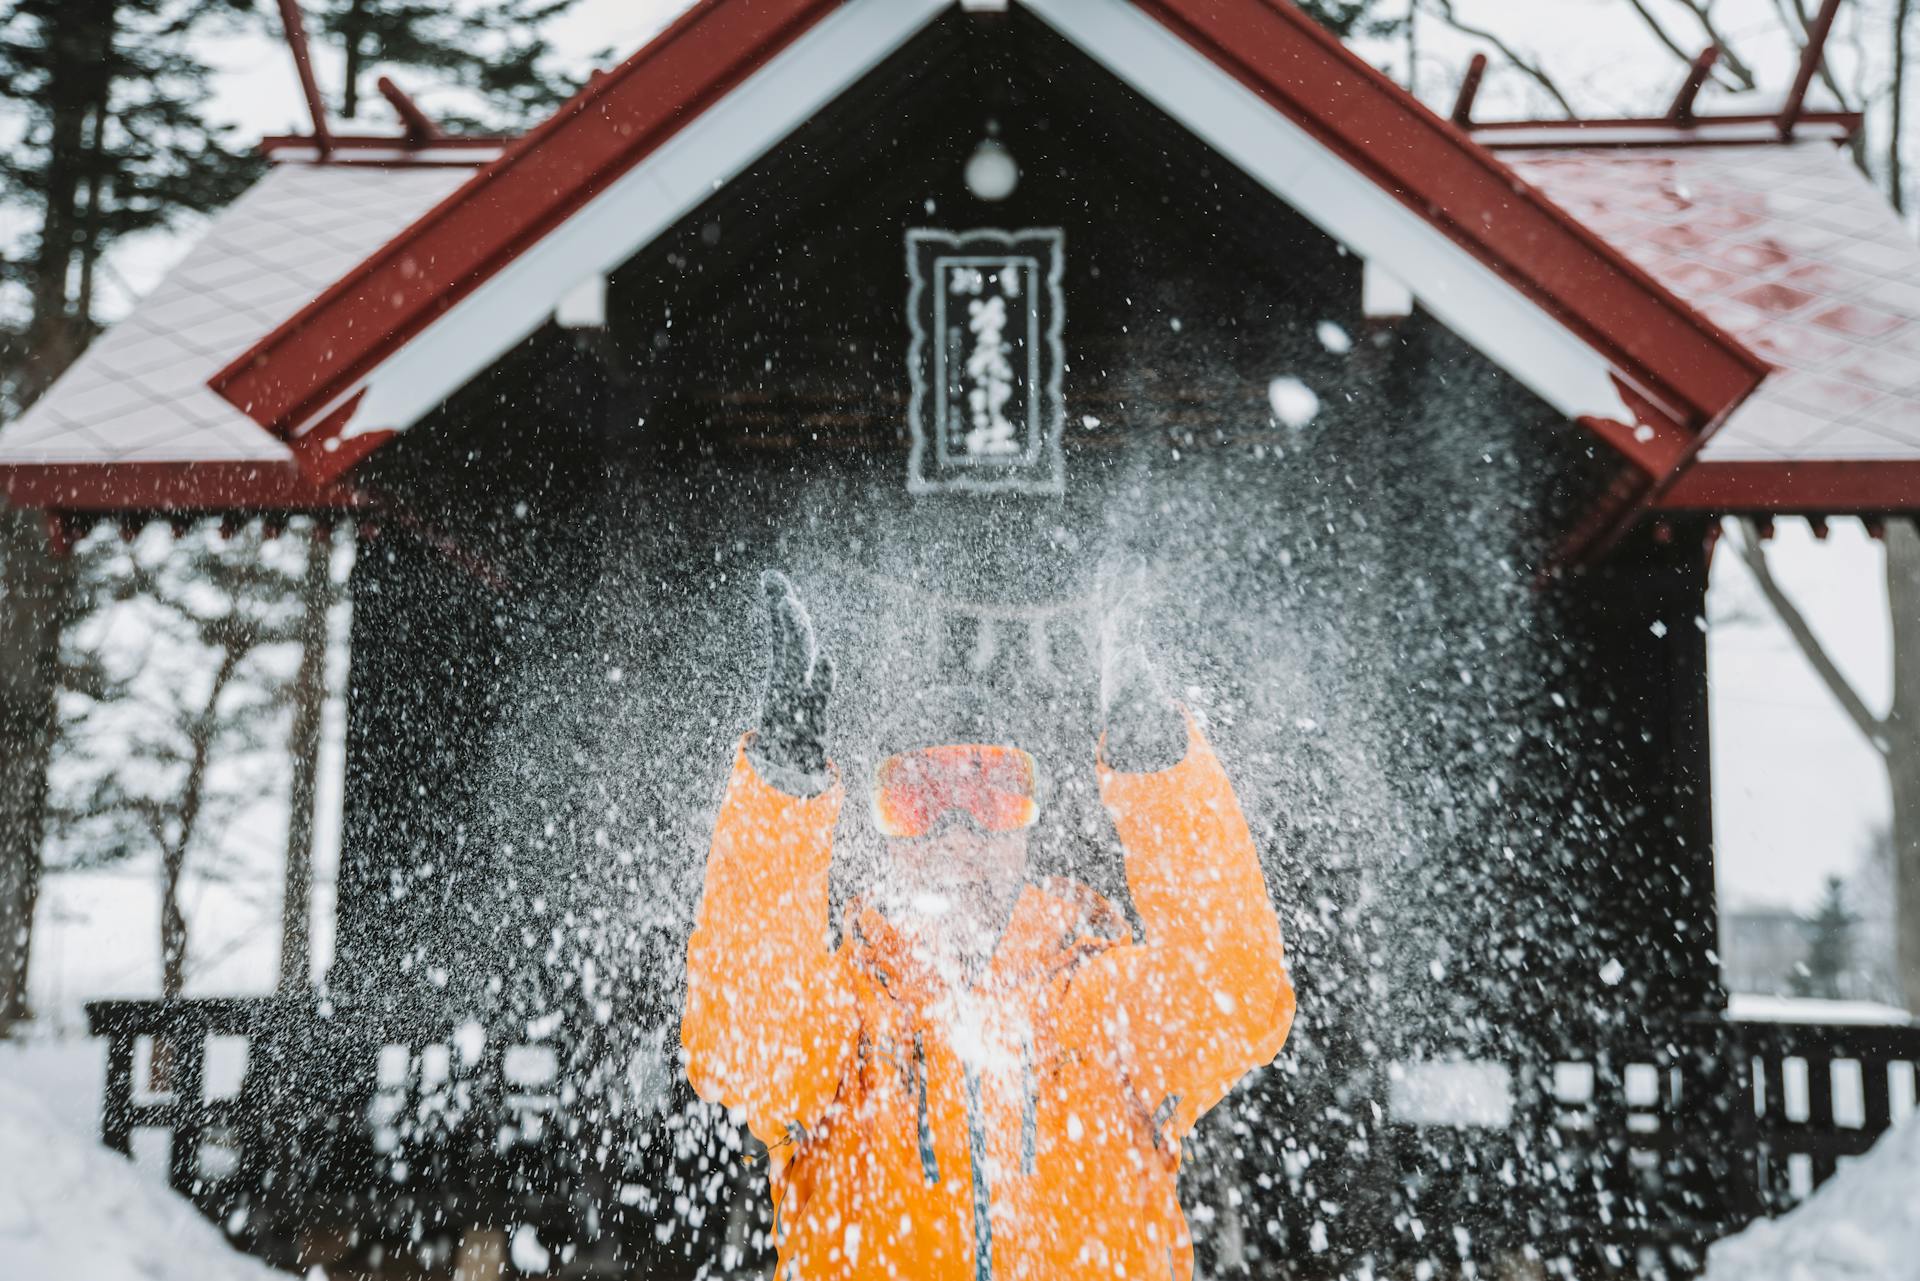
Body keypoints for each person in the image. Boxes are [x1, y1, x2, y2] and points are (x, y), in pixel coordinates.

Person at [682, 571, 1295, 1281]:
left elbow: (1239, 995)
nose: (957, 831)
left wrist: (1154, 758)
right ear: (885, 833)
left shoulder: (1102, 1004)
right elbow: (741, 1044)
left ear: (1028, 824)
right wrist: (782, 791)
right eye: (920, 799)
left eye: (991, 792)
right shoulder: (844, 1020)